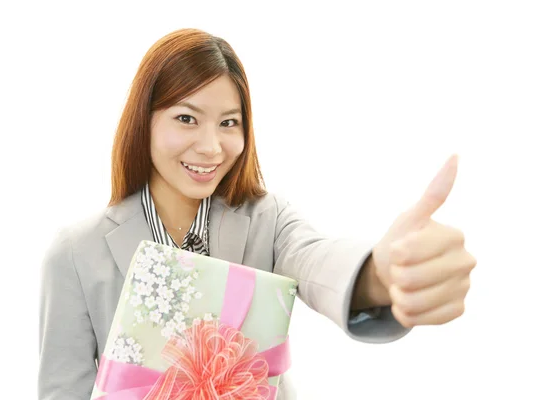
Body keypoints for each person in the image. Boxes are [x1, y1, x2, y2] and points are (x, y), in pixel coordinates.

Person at [38, 28, 477, 400]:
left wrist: (380, 274)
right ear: (143, 122)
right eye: (187, 119)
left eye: (229, 123)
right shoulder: (77, 252)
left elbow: (316, 258)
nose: (212, 147)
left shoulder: (265, 220)